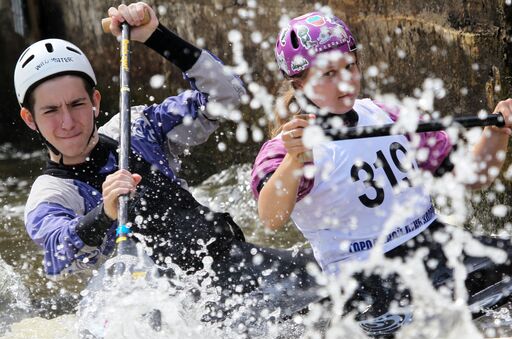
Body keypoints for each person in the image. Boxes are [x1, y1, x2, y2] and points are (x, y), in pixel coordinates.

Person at [14, 2, 316, 315]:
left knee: (345, 279)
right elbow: (57, 255)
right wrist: (104, 213)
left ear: (95, 100)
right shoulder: (49, 195)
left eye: (76, 104)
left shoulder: (137, 129)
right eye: (50, 111)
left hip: (227, 266)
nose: (67, 122)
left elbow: (227, 95)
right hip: (160, 307)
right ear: (29, 118)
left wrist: (156, 36)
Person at [251, 11, 512, 339]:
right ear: (299, 83)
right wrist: (295, 160)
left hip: (438, 247)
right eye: (328, 73)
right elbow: (271, 217)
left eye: (350, 67)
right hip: (366, 281)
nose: (346, 81)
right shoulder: (286, 147)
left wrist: (497, 130)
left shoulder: (387, 114)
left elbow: (473, 176)